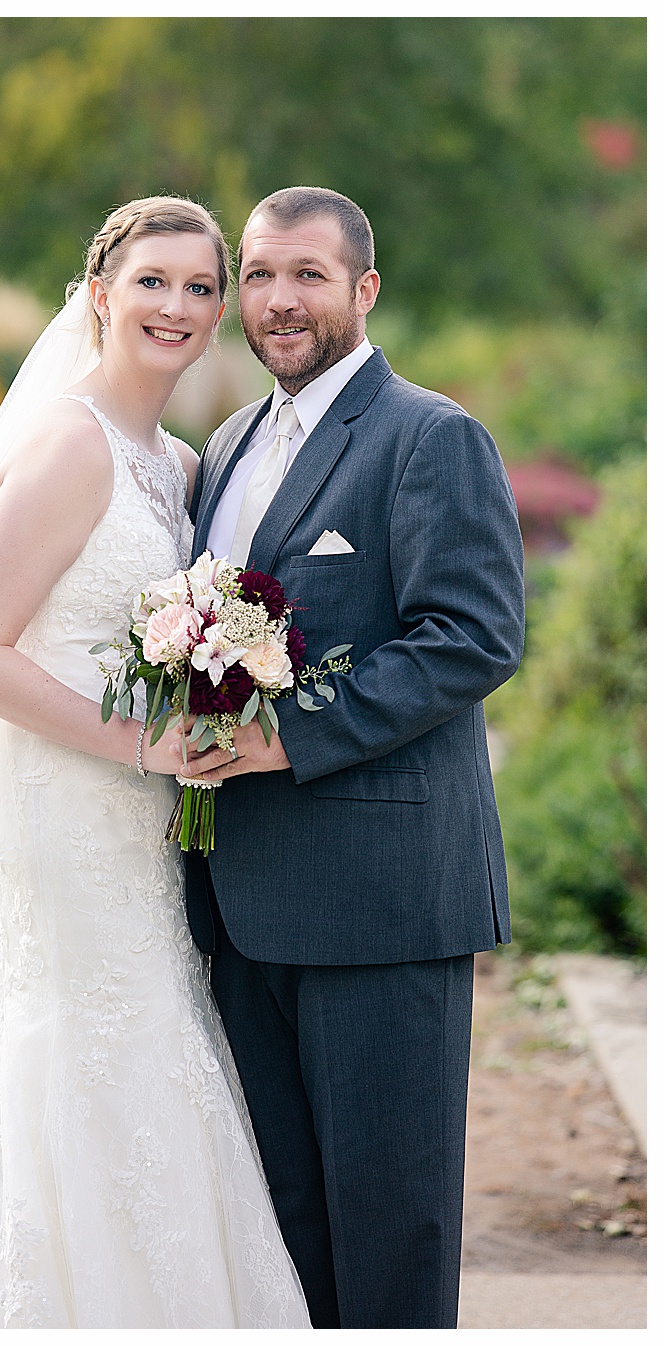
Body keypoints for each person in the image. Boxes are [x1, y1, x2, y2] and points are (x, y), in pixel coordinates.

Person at [0, 197, 310, 1328]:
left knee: (152, 1042)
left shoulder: (181, 460)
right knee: (91, 1045)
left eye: (202, 288)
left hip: (143, 816)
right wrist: (141, 740)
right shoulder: (67, 442)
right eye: (153, 281)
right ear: (99, 293)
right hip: (68, 810)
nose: (179, 306)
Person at [179, 186, 524, 1328]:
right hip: (242, 898)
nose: (280, 300)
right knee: (284, 1226)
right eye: (263, 274)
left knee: (389, 1225)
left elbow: (471, 636)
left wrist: (282, 736)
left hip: (383, 902)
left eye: (309, 275)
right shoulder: (227, 444)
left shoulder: (432, 435)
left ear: (364, 290)